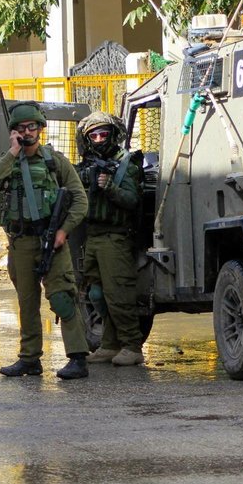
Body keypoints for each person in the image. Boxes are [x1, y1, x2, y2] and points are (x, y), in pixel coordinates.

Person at [0, 101, 90, 379]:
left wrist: (64, 230)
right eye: (21, 128)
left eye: (32, 126)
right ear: (14, 132)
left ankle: (78, 358)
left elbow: (80, 199)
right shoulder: (7, 162)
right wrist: (13, 151)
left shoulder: (55, 162)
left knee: (62, 298)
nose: (27, 131)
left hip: (52, 241)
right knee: (27, 303)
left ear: (41, 129)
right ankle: (30, 359)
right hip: (20, 243)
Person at [76, 112, 146, 367]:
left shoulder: (125, 164)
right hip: (93, 236)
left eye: (103, 134)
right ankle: (109, 344)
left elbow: (131, 200)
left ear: (113, 135)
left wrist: (110, 188)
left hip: (115, 237)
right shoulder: (87, 165)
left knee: (118, 295)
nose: (98, 139)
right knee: (96, 294)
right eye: (92, 135)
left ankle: (132, 345)